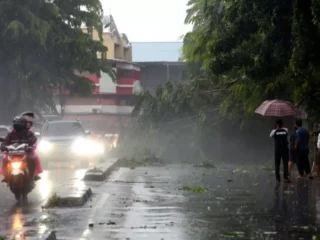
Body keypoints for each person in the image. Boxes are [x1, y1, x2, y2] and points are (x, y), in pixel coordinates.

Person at [0, 116, 38, 183]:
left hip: (25, 152)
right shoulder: (11, 134)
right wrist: (3, 146)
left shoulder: (29, 133)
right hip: (12, 153)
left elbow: (34, 139)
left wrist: (30, 145)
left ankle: (32, 176)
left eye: (20, 123)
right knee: (5, 159)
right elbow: (6, 141)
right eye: (16, 123)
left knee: (32, 159)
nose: (18, 125)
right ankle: (6, 175)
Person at [20, 113, 43, 180]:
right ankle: (6, 174)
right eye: (25, 122)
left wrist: (32, 146)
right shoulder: (14, 131)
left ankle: (33, 174)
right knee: (5, 157)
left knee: (33, 158)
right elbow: (8, 139)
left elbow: (34, 140)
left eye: (28, 122)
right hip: (15, 150)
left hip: (27, 150)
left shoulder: (31, 132)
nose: (27, 124)